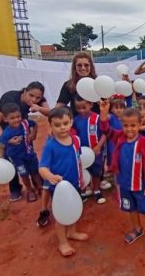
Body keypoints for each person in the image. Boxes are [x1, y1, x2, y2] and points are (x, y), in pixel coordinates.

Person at [100, 103, 145, 251]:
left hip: (141, 185)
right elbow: (106, 131)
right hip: (124, 185)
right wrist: (103, 113)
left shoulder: (144, 143)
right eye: (126, 126)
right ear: (122, 125)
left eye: (133, 125)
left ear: (140, 124)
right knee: (130, 208)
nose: (129, 129)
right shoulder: (119, 137)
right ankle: (137, 228)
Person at [39, 107, 89, 257]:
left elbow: (78, 159)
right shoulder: (50, 146)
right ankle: (62, 243)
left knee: (74, 209)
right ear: (50, 126)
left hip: (75, 184)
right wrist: (50, 176)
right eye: (57, 125)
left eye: (65, 123)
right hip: (59, 188)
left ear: (71, 122)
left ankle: (72, 232)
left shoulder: (76, 140)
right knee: (61, 217)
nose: (62, 127)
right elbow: (42, 168)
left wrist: (81, 177)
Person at [0, 81, 49, 202]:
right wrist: (7, 140)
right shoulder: (9, 100)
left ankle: (37, 182)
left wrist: (39, 109)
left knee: (28, 151)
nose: (34, 99)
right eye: (31, 95)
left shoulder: (37, 98)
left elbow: (50, 112)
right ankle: (15, 188)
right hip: (3, 127)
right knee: (10, 155)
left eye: (37, 97)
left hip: (22, 124)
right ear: (24, 91)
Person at [0, 103, 42, 202]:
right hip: (17, 159)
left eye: (18, 116)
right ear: (5, 119)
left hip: (30, 154)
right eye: (12, 118)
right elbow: (2, 146)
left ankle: (40, 187)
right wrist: (1, 156)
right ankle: (30, 190)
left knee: (35, 172)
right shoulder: (6, 133)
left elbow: (35, 124)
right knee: (24, 174)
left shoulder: (25, 123)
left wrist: (33, 133)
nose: (16, 119)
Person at [73, 96, 107, 204]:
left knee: (96, 172)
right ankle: (83, 192)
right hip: (81, 154)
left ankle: (97, 190)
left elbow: (105, 133)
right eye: (78, 108)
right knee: (82, 172)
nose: (81, 110)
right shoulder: (75, 120)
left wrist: (98, 146)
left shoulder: (97, 118)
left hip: (96, 152)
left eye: (84, 107)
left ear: (91, 105)